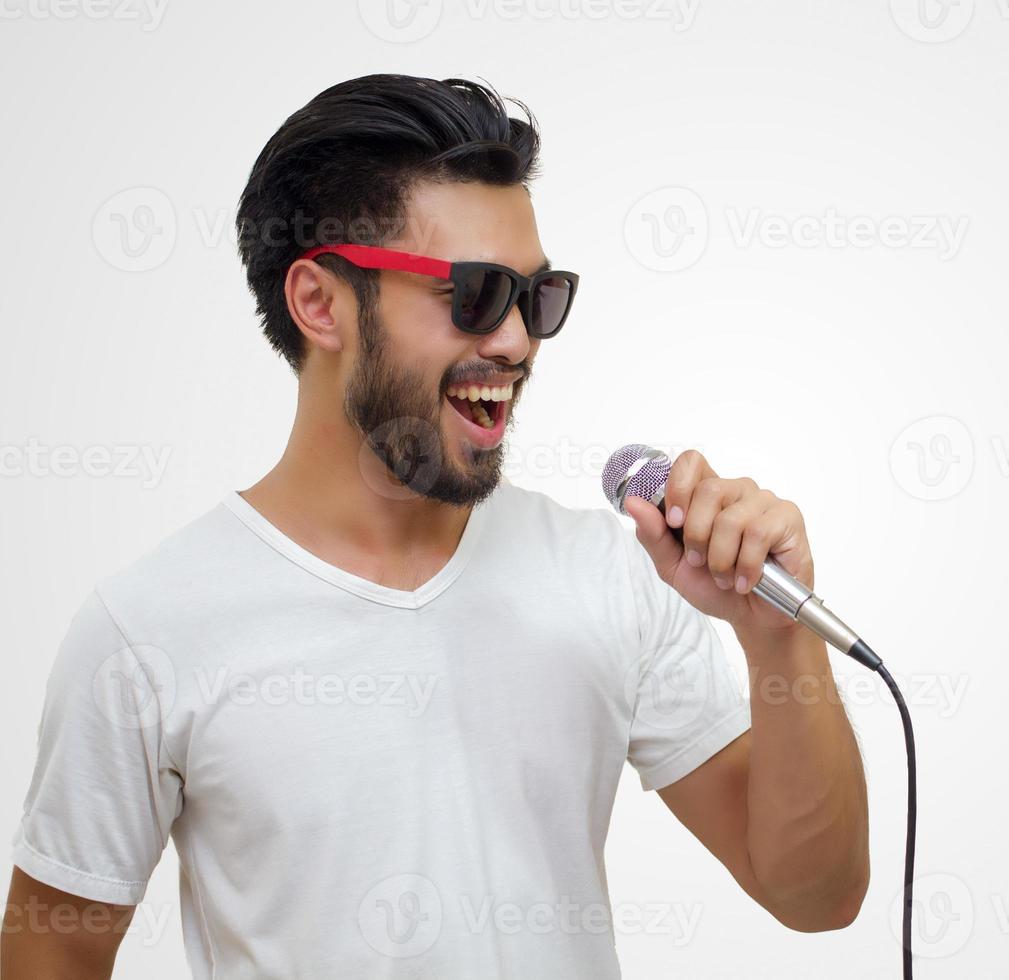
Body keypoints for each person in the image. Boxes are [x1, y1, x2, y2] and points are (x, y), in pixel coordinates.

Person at [3, 73, 869, 979]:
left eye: (538, 298)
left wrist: (779, 644)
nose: (516, 343)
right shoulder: (147, 628)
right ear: (320, 303)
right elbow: (53, 949)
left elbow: (814, 896)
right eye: (476, 295)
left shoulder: (603, 579)